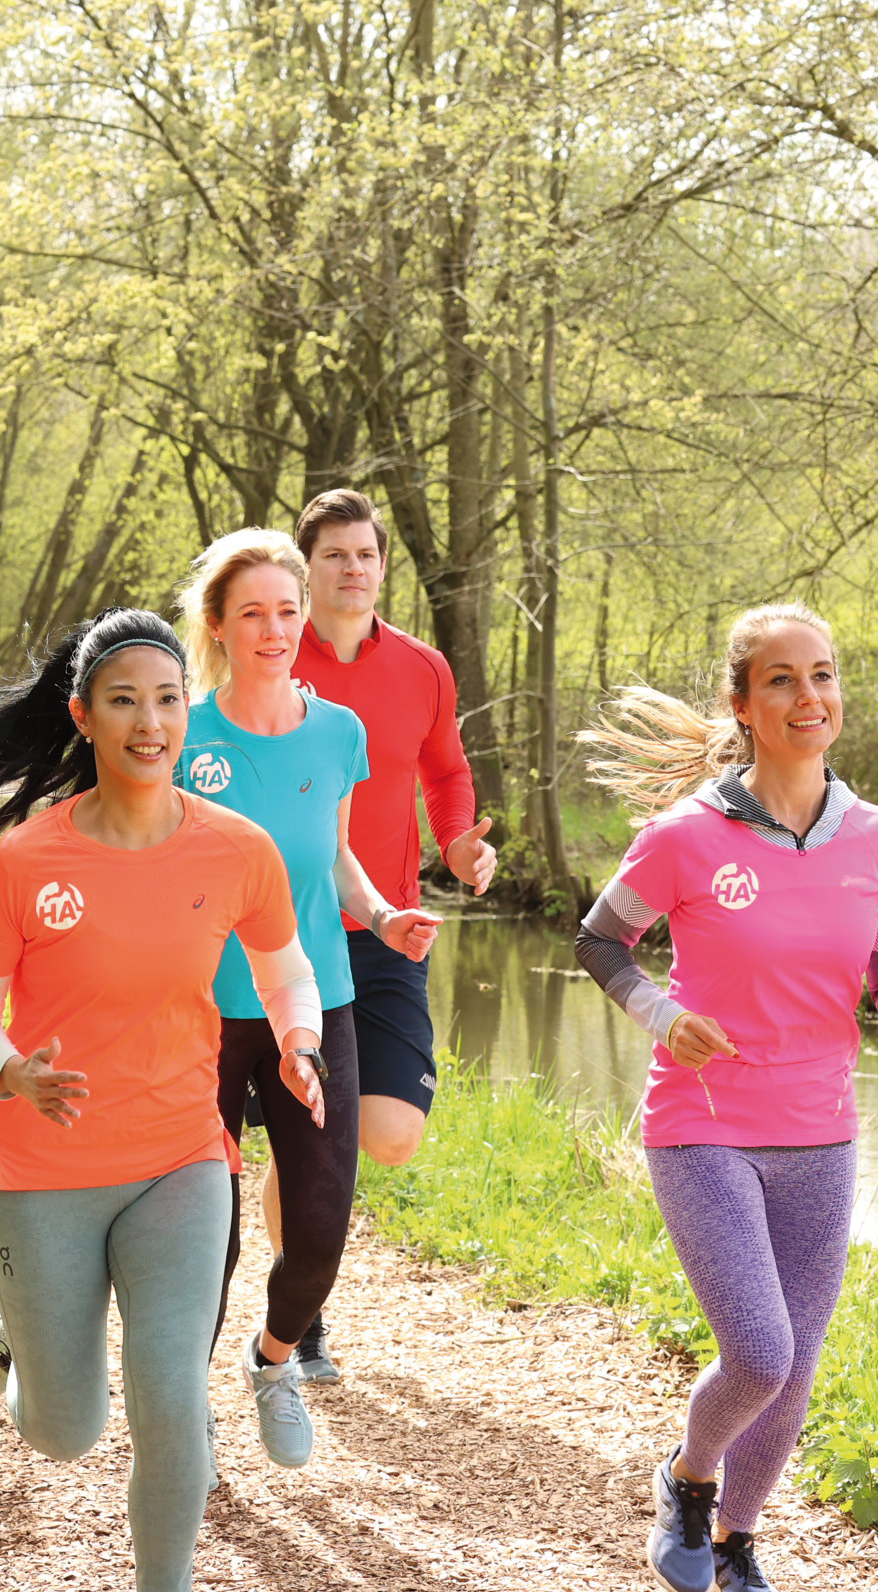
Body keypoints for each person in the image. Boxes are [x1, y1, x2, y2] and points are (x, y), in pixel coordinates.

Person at [0, 609, 327, 1592]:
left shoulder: (235, 847)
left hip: (178, 1159)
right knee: (64, 1429)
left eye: (166, 699)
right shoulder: (28, 859)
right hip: (41, 1170)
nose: (149, 720)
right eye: (123, 699)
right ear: (82, 716)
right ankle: (20, 1343)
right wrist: (11, 1070)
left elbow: (285, 961)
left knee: (172, 1395)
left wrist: (298, 1035)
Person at [574, 604, 878, 1592]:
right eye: (780, 680)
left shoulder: (876, 838)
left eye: (820, 676)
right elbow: (600, 943)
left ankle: (737, 1544)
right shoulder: (686, 837)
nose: (807, 697)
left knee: (795, 1373)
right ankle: (687, 1481)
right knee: (760, 1352)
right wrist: (661, 1014)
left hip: (819, 1131)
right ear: (741, 703)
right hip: (704, 1122)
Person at [176, 528, 440, 1468]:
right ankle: (184, 1401)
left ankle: (273, 1359)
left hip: (315, 998)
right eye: (253, 612)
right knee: (203, 1229)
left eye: (287, 611)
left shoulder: (339, 732)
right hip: (202, 1010)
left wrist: (381, 914)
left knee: (322, 1230)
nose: (275, 628)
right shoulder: (182, 733)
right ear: (218, 625)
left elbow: (333, 856)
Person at [284, 489, 495, 1381]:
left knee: (392, 1132)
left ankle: (295, 1276)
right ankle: (304, 1306)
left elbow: (445, 771)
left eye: (367, 554)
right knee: (310, 1127)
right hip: (282, 927)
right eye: (335, 555)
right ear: (308, 568)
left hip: (387, 922)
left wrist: (457, 841)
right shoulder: (267, 655)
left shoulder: (423, 668)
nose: (355, 569)